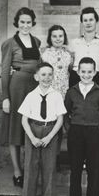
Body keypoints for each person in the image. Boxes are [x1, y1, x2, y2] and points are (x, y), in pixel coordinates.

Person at [18, 62, 67, 196]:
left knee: (49, 168)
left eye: (49, 74)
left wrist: (49, 137)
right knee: (31, 168)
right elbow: (24, 120)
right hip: (33, 130)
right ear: (36, 77)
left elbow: (60, 120)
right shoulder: (31, 95)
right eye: (43, 74)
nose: (46, 78)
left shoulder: (57, 95)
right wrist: (32, 137)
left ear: (53, 76)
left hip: (50, 131)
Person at [64, 57, 99, 196]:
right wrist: (69, 129)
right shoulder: (72, 91)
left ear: (95, 72)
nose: (86, 74)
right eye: (83, 71)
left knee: (93, 169)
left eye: (90, 72)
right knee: (75, 169)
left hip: (93, 133)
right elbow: (65, 113)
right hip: (75, 132)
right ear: (78, 72)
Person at [1, 7, 41, 187]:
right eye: (22, 22)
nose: (25, 25)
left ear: (33, 23)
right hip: (16, 87)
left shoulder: (37, 41)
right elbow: (4, 71)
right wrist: (6, 97)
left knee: (31, 126)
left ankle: (30, 167)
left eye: (28, 22)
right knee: (15, 127)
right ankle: (17, 171)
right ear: (17, 23)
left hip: (34, 87)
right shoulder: (10, 43)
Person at [41, 25, 73, 171]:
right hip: (49, 95)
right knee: (49, 125)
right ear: (50, 38)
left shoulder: (69, 55)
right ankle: (48, 158)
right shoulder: (45, 54)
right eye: (54, 36)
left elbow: (69, 73)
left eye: (60, 36)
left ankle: (57, 156)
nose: (58, 39)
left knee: (60, 127)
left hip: (64, 95)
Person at [68, 7, 99, 87]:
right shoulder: (74, 42)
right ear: (82, 23)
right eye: (85, 20)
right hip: (76, 78)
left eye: (91, 20)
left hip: (97, 77)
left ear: (96, 21)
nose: (88, 23)